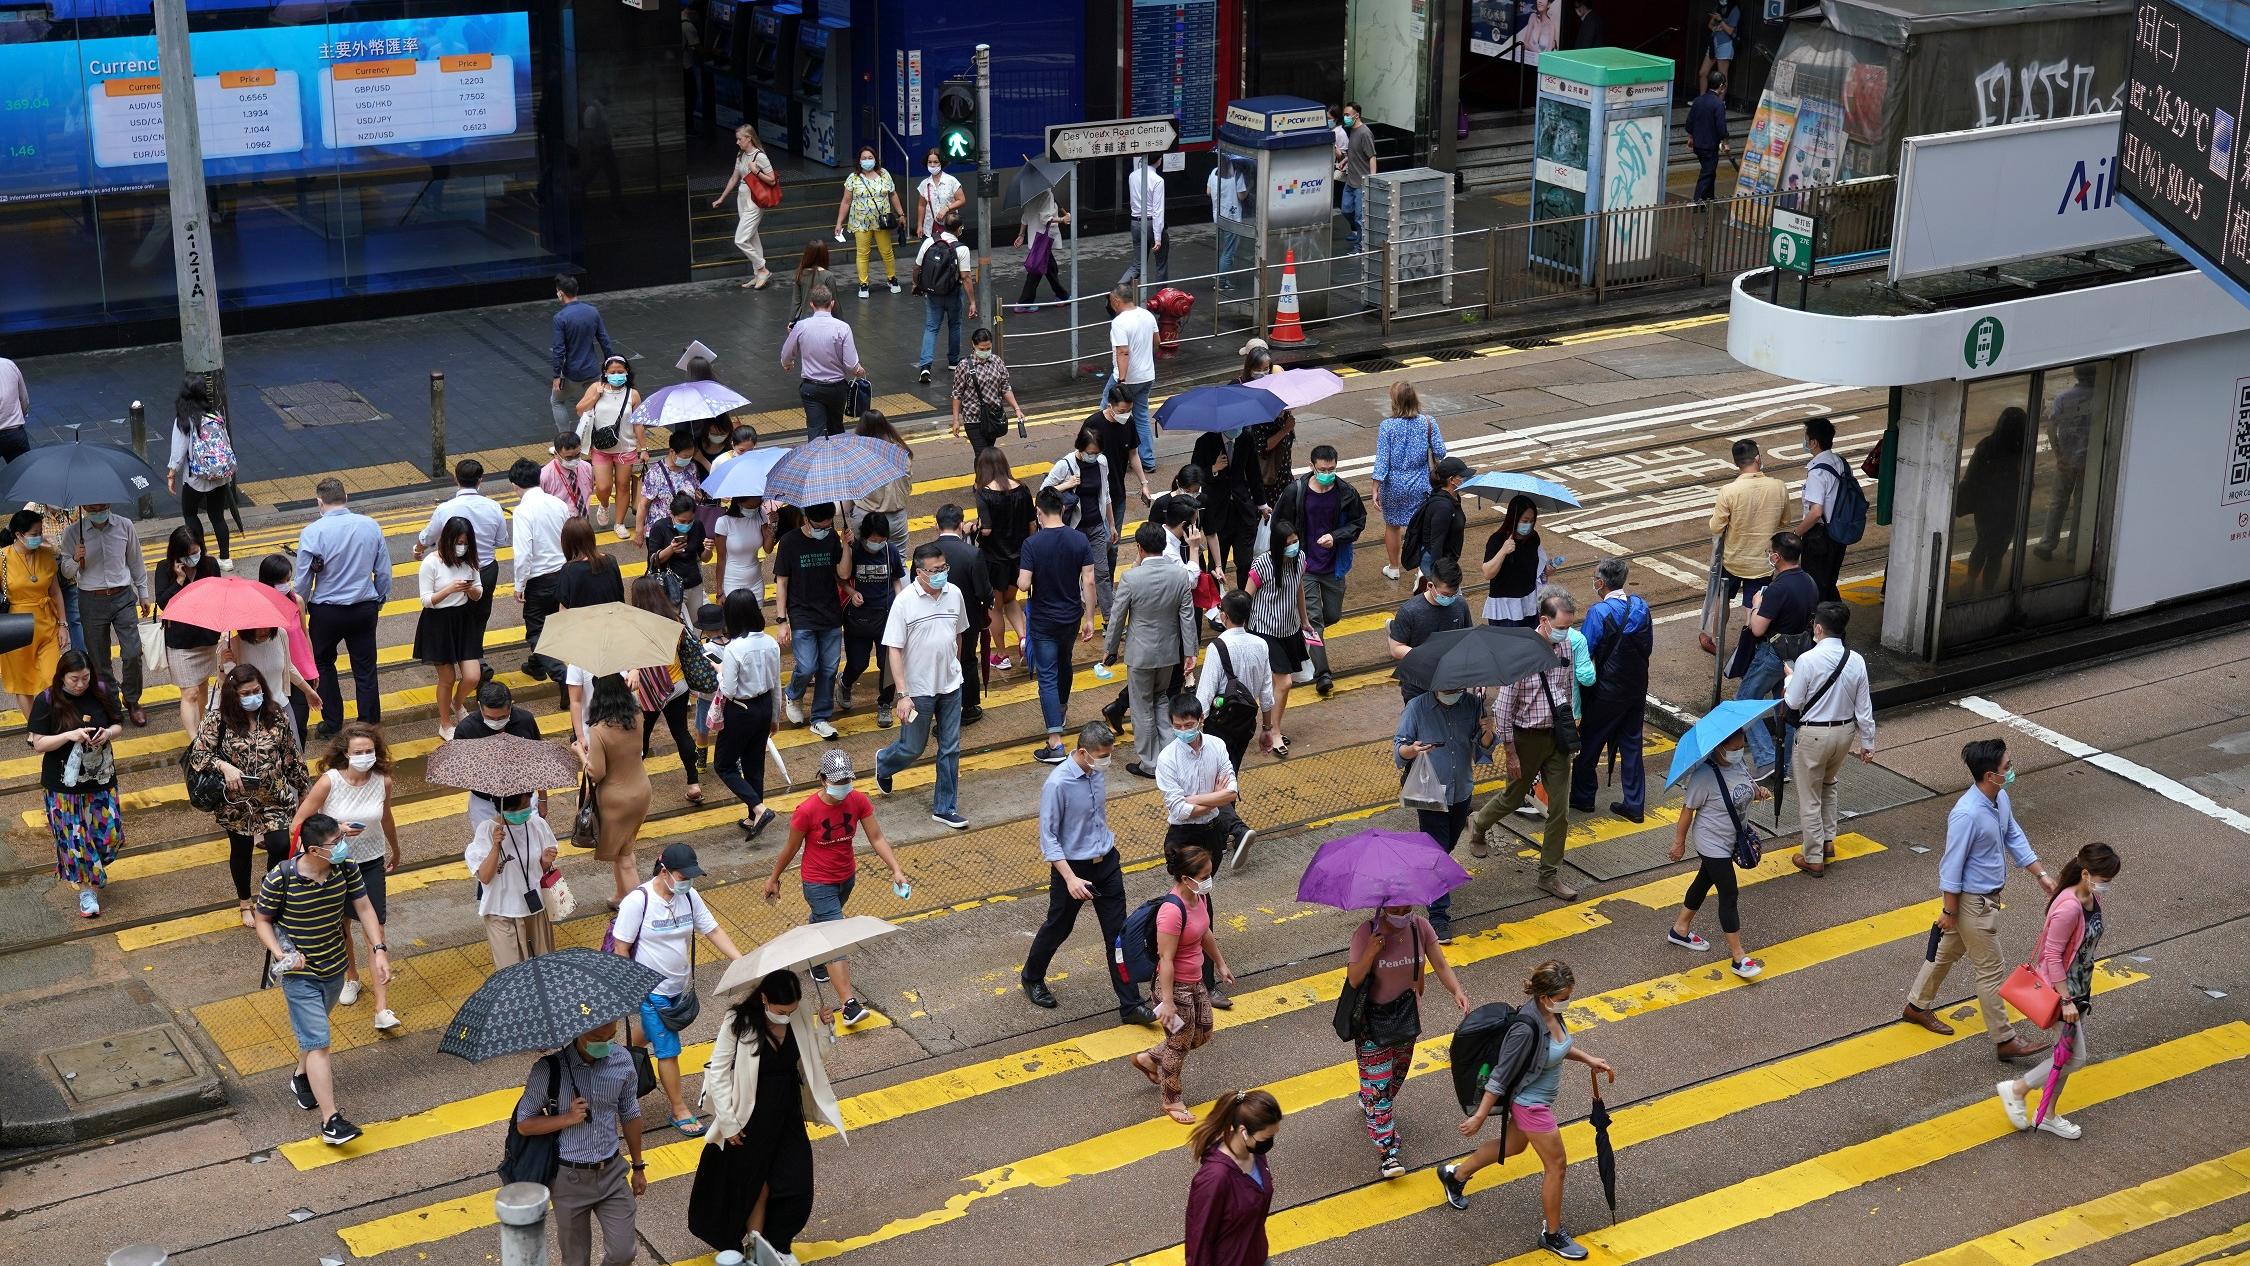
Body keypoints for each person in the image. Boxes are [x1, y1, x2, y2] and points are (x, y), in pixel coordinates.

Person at [1438, 960, 1614, 1262]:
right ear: (1544, 997)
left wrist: (1588, 1058)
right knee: (1557, 1165)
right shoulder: (1525, 1027)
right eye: (1563, 998)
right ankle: (1552, 1234)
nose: (1567, 1003)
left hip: (1538, 1101)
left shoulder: (1552, 1015)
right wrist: (1480, 1115)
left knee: (1514, 1146)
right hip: (1530, 1104)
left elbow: (1555, 1049)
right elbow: (1501, 1075)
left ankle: (1455, 1174)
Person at [1901, 738, 2059, 1061]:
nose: (2011, 771)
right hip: (1974, 903)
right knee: (1991, 970)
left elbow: (2013, 835)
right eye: (2007, 768)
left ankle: (1916, 1005)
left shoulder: (1999, 799)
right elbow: (1951, 866)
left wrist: (2041, 875)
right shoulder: (1966, 815)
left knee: (1946, 952)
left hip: (1982, 900)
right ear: (1990, 775)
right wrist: (1949, 910)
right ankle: (2005, 1039)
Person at [689, 969, 843, 1260]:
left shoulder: (798, 1015)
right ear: (763, 998)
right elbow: (719, 1072)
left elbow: (812, 1060)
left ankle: (777, 1242)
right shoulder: (738, 1022)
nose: (787, 1015)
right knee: (756, 1187)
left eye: (793, 1009)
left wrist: (825, 1029)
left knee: (798, 1186)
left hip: (787, 1113)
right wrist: (729, 1123)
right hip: (750, 1118)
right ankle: (759, 1249)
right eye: (781, 1010)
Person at [252, 812, 387, 1146]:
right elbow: (262, 920)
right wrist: (281, 955)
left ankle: (301, 1076)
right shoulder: (280, 879)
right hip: (301, 975)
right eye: (335, 843)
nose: (342, 847)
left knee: (313, 1037)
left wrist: (380, 949)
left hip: (334, 969)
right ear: (313, 850)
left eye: (341, 839)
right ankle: (331, 1121)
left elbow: (365, 909)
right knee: (320, 1044)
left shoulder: (345, 868)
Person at [1022, 722, 1157, 1022]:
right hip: (1073, 869)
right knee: (1059, 926)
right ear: (1083, 752)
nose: (1106, 761)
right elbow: (1049, 838)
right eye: (1102, 755)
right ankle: (1032, 976)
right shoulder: (1057, 784)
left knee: (1118, 935)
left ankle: (1130, 1005)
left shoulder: (1096, 774)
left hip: (1106, 863)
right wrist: (1070, 878)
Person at [764, 749, 908, 1028]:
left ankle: (816, 960)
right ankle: (849, 1004)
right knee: (836, 934)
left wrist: (896, 869)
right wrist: (774, 878)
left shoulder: (858, 801)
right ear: (823, 779)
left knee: (824, 922)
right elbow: (791, 849)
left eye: (847, 781)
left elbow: (876, 837)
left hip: (846, 877)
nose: (844, 787)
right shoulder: (806, 812)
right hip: (817, 882)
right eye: (838, 781)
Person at [1995, 842, 2121, 1141]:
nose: (2107, 886)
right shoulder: (2068, 907)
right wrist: (2065, 999)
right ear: (2087, 873)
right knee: (2075, 1058)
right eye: (2105, 880)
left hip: (2079, 989)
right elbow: (2051, 956)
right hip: (2061, 992)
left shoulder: (2087, 896)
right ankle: (2017, 1089)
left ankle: (2049, 1114)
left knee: (2063, 1054)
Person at [615, 843, 744, 1135]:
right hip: (651, 990)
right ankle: (679, 1109)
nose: (687, 881)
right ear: (664, 871)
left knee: (649, 1033)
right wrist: (632, 988)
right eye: (682, 876)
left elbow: (713, 930)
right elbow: (621, 947)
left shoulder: (689, 896)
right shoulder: (638, 901)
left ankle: (612, 1057)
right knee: (668, 1049)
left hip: (678, 987)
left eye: (691, 877)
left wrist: (742, 962)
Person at [1468, 590, 1582, 900]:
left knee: (1560, 809)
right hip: (1525, 738)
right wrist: (1511, 752)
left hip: (1556, 738)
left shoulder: (1567, 645)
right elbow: (1503, 709)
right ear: (1544, 621)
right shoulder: (1520, 654)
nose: (1566, 632)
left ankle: (1548, 874)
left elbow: (1566, 686)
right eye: (1561, 625)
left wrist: (1570, 729)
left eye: (1569, 626)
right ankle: (1479, 824)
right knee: (1512, 796)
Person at [290, 722, 403, 1030]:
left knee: (375, 930)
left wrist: (394, 848)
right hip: (335, 864)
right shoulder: (329, 782)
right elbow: (300, 823)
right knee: (342, 927)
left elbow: (386, 817)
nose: (364, 756)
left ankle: (382, 1008)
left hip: (369, 862)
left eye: (369, 751)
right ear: (345, 753)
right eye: (358, 752)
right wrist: (335, 829)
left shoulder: (383, 781)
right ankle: (350, 976)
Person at [1344, 902, 1472, 1176]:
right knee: (1380, 1091)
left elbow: (1439, 962)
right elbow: (1354, 979)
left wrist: (1456, 991)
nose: (1402, 915)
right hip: (1372, 1025)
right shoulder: (1365, 933)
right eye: (1396, 910)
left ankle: (1368, 1097)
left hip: (1406, 1019)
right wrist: (1370, 952)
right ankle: (1388, 1152)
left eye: (1407, 909)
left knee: (1394, 1079)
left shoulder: (1420, 927)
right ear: (1382, 906)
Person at [511, 1018, 647, 1266]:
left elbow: (630, 1113)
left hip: (612, 1173)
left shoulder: (622, 1060)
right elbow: (525, 1124)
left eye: (611, 1036)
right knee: (575, 1260)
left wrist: (639, 1166)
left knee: (624, 1252)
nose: (605, 1044)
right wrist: (567, 1118)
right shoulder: (549, 1070)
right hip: (568, 1180)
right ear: (577, 1033)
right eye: (597, 1039)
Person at [187, 664, 312, 924]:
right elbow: (199, 755)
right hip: (236, 800)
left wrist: (304, 789)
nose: (253, 696)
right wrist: (224, 766)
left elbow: (291, 757)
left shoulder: (275, 716)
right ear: (234, 694)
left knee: (279, 845)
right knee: (241, 850)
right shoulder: (216, 719)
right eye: (246, 693)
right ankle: (245, 902)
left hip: (273, 796)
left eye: (257, 691)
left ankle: (270, 894)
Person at [1129, 839, 1227, 1123]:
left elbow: (1205, 932)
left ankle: (1149, 1058)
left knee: (1203, 1032)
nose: (1209, 881)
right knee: (1179, 1044)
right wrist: (1168, 1003)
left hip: (1196, 981)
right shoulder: (1171, 911)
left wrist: (1220, 963)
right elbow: (1167, 959)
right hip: (1172, 988)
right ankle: (1171, 1101)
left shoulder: (1200, 897)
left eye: (1210, 874)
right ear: (1185, 878)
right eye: (1204, 876)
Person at [874, 543, 971, 827]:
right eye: (935, 571)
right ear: (919, 572)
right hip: (918, 691)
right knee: (913, 748)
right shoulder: (904, 602)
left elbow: (958, 633)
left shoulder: (954, 594)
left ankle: (944, 807)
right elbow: (893, 649)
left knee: (950, 747)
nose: (942, 574)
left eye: (944, 569)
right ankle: (885, 762)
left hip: (951, 685)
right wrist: (902, 694)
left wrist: (955, 664)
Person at [1666, 729, 1770, 979]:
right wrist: (1678, 843)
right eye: (1733, 749)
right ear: (1719, 748)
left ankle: (1680, 929)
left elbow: (1744, 790)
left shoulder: (1740, 765)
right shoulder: (1704, 776)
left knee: (1703, 881)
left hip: (1732, 837)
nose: (1738, 753)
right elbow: (1687, 811)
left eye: (1741, 748)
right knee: (1729, 892)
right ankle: (1738, 957)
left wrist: (1759, 792)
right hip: (1711, 842)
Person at [30, 651, 124, 918]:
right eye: (74, 679)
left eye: (85, 678)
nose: (80, 684)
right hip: (62, 785)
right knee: (75, 839)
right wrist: (69, 735)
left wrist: (107, 734)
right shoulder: (47, 700)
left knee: (109, 836)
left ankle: (90, 868)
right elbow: (38, 743)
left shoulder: (103, 691)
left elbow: (118, 724)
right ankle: (87, 891)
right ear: (62, 676)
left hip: (102, 778)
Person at [294, 478, 390, 738]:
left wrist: (299, 608)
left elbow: (303, 579)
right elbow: (383, 571)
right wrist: (379, 598)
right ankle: (368, 723)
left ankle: (332, 721)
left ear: (319, 502)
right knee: (365, 668)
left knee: (323, 664)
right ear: (346, 496)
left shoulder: (312, 532)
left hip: (327, 611)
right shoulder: (370, 526)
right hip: (364, 608)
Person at [1394, 682, 1491, 941]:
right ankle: (1439, 917)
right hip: (1430, 795)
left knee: (1445, 847)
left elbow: (1483, 751)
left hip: (1461, 791)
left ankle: (1426, 872)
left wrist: (1487, 733)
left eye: (1458, 685)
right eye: (1448, 685)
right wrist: (1411, 750)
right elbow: (1398, 751)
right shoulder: (1417, 708)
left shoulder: (1473, 705)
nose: (1453, 690)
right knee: (1437, 852)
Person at [1785, 600, 1875, 876]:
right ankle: (1827, 842)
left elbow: (1793, 701)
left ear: (1819, 628)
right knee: (1828, 783)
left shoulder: (1807, 660)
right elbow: (1865, 709)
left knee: (1809, 795)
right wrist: (1868, 743)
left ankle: (1813, 857)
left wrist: (1790, 679)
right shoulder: (1856, 660)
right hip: (1845, 734)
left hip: (1813, 734)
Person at [1106, 522, 1200, 776]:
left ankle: (1150, 763)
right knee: (1161, 700)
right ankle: (1170, 756)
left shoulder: (1131, 578)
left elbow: (1117, 617)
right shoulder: (1179, 576)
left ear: (1139, 547)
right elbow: (1187, 618)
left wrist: (1110, 650)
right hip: (1169, 652)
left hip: (1140, 655)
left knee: (1141, 706)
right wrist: (1190, 652)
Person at [1273, 445, 1365, 695]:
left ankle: (1303, 632)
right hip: (1306, 567)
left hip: (1334, 566)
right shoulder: (1296, 491)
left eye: (1332, 469)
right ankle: (1323, 673)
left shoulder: (1346, 492)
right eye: (1323, 469)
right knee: (1315, 620)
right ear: (1311, 466)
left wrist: (1336, 537)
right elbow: (1279, 522)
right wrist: (1290, 546)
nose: (1327, 473)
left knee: (1331, 615)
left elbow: (1358, 522)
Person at [1570, 558, 1653, 822]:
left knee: (1590, 744)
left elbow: (1585, 651)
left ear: (1600, 582)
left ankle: (1584, 798)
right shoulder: (1640, 607)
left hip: (1605, 692)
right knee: (1631, 746)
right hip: (1637, 688)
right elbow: (1647, 647)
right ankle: (1635, 804)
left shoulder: (1599, 613)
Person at [1020, 487, 1098, 765]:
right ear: (1063, 510)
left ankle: (1055, 742)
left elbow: (1024, 584)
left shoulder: (1032, 544)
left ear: (1039, 512)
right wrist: (1089, 617)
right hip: (1070, 617)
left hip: (1043, 620)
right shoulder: (1079, 540)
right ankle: (1061, 709)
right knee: (1064, 663)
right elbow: (1089, 581)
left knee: (1048, 676)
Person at [56, 504, 149, 727]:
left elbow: (135, 560)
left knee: (133, 652)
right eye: (92, 505)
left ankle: (132, 699)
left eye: (102, 504)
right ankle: (112, 704)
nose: (97, 508)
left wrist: (143, 592)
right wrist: (76, 559)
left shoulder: (125, 525)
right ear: (84, 506)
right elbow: (65, 572)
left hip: (123, 596)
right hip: (91, 599)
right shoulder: (73, 532)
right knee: (99, 659)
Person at [1736, 531, 1818, 779]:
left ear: (1777, 556)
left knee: (1743, 703)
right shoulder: (1809, 582)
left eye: (1769, 552)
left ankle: (1765, 758)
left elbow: (1757, 628)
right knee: (1785, 709)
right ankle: (1782, 768)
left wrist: (1757, 603)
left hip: (1771, 654)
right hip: (1798, 654)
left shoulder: (1777, 588)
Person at [773, 502, 851, 741]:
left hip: (830, 613)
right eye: (820, 526)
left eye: (829, 525)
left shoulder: (831, 539)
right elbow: (782, 582)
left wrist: (846, 546)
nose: (824, 529)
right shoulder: (789, 542)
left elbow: (844, 574)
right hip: (802, 614)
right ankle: (793, 693)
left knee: (828, 669)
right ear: (806, 519)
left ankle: (820, 718)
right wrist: (781, 620)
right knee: (807, 666)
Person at [1703, 438, 1788, 654]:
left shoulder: (1729, 491)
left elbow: (1716, 526)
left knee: (1722, 600)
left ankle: (1716, 639)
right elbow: (1784, 521)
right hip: (1763, 562)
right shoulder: (1778, 487)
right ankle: (1748, 647)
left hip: (1733, 559)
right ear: (1758, 458)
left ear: (1736, 463)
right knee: (1753, 604)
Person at [627, 576, 707, 806]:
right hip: (677, 685)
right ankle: (694, 784)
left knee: (642, 737)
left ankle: (632, 784)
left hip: (651, 689)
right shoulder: (673, 618)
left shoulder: (638, 625)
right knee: (681, 731)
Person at [417, 458, 506, 655]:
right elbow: (501, 541)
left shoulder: (445, 509)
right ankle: (475, 654)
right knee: (480, 613)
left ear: (455, 478)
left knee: (455, 611)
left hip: (452, 569)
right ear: (480, 480)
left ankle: (459, 654)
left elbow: (429, 536)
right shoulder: (494, 507)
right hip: (486, 568)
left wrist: (418, 549)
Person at [576, 673, 652, 905]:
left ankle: (641, 911)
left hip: (616, 799)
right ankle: (621, 896)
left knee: (624, 857)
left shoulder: (599, 730)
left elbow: (596, 772)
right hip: (641, 791)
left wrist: (579, 752)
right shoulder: (637, 716)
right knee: (625, 846)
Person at [712, 589, 782, 838]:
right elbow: (776, 683)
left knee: (724, 764)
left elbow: (729, 690)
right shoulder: (770, 642)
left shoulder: (734, 649)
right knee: (755, 764)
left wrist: (719, 670)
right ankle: (754, 818)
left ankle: (759, 808)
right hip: (764, 708)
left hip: (741, 711)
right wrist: (775, 716)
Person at [1183, 1088, 1282, 1265]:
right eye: (1267, 1137)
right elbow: (1200, 1239)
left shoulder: (1255, 1153)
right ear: (1243, 1131)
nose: (1270, 1143)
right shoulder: (1214, 1178)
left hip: (1257, 1257)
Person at [1159, 696, 1256, 870]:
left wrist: (1193, 799)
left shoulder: (1217, 746)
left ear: (1201, 719)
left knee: (1206, 884)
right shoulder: (1167, 758)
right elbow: (1180, 811)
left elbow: (1231, 792)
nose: (1183, 731)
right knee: (1190, 887)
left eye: (1188, 725)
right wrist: (1215, 798)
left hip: (1213, 832)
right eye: (1177, 726)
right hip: (1183, 834)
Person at [465, 789, 558, 970]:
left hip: (536, 910)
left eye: (527, 805)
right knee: (511, 976)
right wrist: (495, 847)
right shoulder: (487, 830)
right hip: (501, 913)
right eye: (522, 807)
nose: (525, 812)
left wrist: (545, 862)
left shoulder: (537, 825)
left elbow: (539, 869)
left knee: (545, 971)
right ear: (505, 807)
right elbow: (484, 876)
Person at [414, 516, 485, 740]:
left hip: (463, 621)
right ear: (447, 540)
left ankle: (457, 702)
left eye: (465, 542)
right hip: (438, 623)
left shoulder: (470, 561)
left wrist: (471, 591)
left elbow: (479, 591)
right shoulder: (431, 563)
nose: (461, 547)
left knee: (473, 676)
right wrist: (450, 589)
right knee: (447, 678)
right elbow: (426, 600)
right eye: (458, 542)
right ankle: (445, 724)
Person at [1370, 383, 1446, 580]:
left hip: (1393, 484)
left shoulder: (1387, 426)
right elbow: (1440, 452)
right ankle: (1422, 568)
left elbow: (1382, 459)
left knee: (1392, 525)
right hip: (1421, 483)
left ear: (1394, 402)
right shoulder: (1428, 422)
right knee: (1422, 526)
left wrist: (1375, 486)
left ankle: (1394, 568)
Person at [1243, 523, 1309, 755]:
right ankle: (1273, 731)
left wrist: (1305, 620)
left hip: (1289, 629)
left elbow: (1298, 588)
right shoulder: (1263, 563)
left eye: (1295, 541)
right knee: (1284, 682)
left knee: (1278, 683)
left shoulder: (1299, 558)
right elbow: (1246, 596)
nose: (1293, 546)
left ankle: (1271, 726)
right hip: (1264, 629)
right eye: (1287, 543)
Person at [1195, 590, 1275, 777]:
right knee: (1231, 772)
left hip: (1219, 724)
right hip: (1245, 724)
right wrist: (1267, 729)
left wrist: (1195, 732)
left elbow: (1205, 694)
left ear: (1224, 616)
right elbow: (1266, 692)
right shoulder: (1261, 644)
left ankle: (1225, 805)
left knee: (1215, 778)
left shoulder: (1218, 647)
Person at [838, 511, 904, 727]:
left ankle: (885, 704)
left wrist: (899, 603)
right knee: (858, 663)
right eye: (873, 540)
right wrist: (850, 592)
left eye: (881, 540)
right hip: (858, 619)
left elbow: (896, 580)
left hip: (886, 617)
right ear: (864, 536)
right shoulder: (854, 549)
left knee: (888, 664)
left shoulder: (890, 551)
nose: (877, 544)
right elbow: (841, 577)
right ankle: (845, 682)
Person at [155, 526, 222, 736]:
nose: (193, 557)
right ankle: (195, 741)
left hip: (206, 638)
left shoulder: (210, 565)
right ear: (176, 554)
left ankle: (201, 727)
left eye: (196, 551)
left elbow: (219, 596)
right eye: (188, 554)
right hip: (180, 643)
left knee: (202, 687)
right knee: (190, 692)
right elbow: (164, 603)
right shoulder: (164, 568)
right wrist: (179, 580)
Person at [1044, 423, 1116, 616]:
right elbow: (1043, 492)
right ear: (1080, 448)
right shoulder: (1065, 465)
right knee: (1069, 574)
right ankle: (1071, 613)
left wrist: (1111, 524)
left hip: (1096, 527)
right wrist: (1066, 484)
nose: (1093, 456)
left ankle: (1110, 619)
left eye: (1097, 452)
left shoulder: (1101, 462)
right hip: (1072, 530)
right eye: (1090, 452)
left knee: (1101, 574)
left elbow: (1105, 494)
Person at [778, 285, 866, 441]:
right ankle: (837, 461)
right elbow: (851, 363)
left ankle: (816, 461)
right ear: (831, 303)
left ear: (812, 304)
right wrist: (858, 370)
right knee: (836, 428)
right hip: (837, 388)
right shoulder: (843, 328)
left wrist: (788, 363)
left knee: (815, 429)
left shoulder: (801, 326)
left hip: (811, 388)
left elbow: (786, 352)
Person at [166, 375, 236, 570]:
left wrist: (172, 474)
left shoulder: (184, 419)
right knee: (217, 516)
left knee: (190, 513)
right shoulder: (215, 415)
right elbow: (225, 444)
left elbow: (178, 451)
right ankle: (225, 559)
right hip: (220, 476)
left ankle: (201, 554)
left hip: (196, 477)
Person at [0, 509, 66, 714]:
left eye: (41, 531)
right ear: (19, 535)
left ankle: (57, 723)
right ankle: (35, 729)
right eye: (35, 533)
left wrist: (63, 625)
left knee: (53, 677)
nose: (40, 537)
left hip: (46, 623)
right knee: (23, 681)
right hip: (15, 627)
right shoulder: (2, 557)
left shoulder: (46, 555)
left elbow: (55, 592)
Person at [457, 680, 543, 834]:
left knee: (532, 846)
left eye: (502, 717)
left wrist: (543, 799)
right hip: (485, 804)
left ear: (511, 705)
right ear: (479, 707)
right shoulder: (466, 730)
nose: (496, 722)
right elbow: (461, 771)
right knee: (489, 849)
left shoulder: (525, 720)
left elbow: (539, 762)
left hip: (522, 801)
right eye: (490, 717)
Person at [1957, 408, 2027, 595]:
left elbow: (1971, 476)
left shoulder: (1987, 445)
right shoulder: (2022, 448)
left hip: (1986, 504)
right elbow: (2027, 479)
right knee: (1998, 551)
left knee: (1983, 543)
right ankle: (1988, 589)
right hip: (2011, 505)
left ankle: (1970, 582)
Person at [2036, 363, 2102, 561]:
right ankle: (2074, 552)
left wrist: (2060, 457)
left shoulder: (2063, 398)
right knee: (2081, 507)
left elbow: (2050, 428)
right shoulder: (2100, 398)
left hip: (2066, 460)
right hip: (2087, 463)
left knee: (2058, 503)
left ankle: (2046, 545)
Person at [575, 355, 644, 540]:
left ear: (627, 372)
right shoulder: (596, 388)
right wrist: (596, 396)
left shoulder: (633, 394)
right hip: (601, 448)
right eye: (612, 372)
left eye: (620, 372)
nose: (616, 375)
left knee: (623, 486)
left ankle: (620, 523)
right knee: (603, 487)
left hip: (626, 448)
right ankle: (604, 505)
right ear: (605, 373)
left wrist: (643, 449)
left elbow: (638, 423)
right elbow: (579, 409)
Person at [1385, 557, 1471, 704]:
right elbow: (1395, 649)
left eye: (1454, 594)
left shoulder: (1460, 605)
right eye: (1445, 595)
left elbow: (1468, 638)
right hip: (1418, 687)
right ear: (1430, 585)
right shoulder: (1409, 611)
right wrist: (1429, 656)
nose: (1450, 598)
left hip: (1451, 685)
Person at [833, 144, 907, 299]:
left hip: (882, 221)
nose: (867, 161)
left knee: (886, 251)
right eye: (864, 158)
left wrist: (901, 214)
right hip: (860, 222)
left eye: (870, 158)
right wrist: (839, 222)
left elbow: (893, 195)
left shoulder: (884, 174)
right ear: (859, 161)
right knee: (862, 253)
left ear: (875, 159)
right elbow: (846, 202)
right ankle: (863, 283)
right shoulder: (853, 178)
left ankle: (892, 278)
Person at [913, 212, 977, 383]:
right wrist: (972, 301)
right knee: (955, 325)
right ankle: (953, 362)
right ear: (959, 229)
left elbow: (917, 267)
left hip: (933, 293)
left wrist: (916, 284)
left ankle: (925, 366)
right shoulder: (961, 248)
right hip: (953, 293)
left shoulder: (930, 241)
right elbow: (965, 277)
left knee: (931, 327)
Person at [1795, 416, 1854, 603]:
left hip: (1819, 538)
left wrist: (1796, 533)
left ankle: (1820, 626)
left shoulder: (1817, 472)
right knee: (1828, 582)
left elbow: (1816, 512)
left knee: (1815, 588)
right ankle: (1835, 624)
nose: (1804, 442)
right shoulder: (1841, 462)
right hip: (1838, 533)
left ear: (1813, 442)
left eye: (1806, 438)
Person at [550, 274, 617, 434]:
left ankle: (565, 439)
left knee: (557, 401)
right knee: (594, 402)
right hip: (592, 371)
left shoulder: (560, 318)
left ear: (561, 293)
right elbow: (604, 341)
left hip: (572, 373)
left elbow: (559, 349)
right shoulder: (592, 312)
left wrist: (556, 376)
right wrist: (611, 365)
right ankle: (597, 435)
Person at [712, 123, 777, 289]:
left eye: (740, 139)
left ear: (749, 138)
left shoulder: (759, 156)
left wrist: (756, 171)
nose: (737, 142)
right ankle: (757, 274)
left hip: (754, 201)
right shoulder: (740, 155)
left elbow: (772, 180)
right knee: (752, 236)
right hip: (742, 199)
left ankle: (762, 269)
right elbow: (734, 178)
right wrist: (721, 198)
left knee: (740, 239)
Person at [951, 327, 1029, 456]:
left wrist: (1017, 409)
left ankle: (984, 476)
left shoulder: (997, 361)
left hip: (993, 417)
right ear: (973, 345)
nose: (985, 351)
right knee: (983, 454)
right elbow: (957, 394)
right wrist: (956, 420)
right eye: (982, 349)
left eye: (988, 348)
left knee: (986, 453)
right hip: (973, 418)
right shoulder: (964, 366)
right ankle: (985, 476)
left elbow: (1005, 388)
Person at [1479, 493, 1555, 626]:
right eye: (1525, 521)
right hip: (1505, 607)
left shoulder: (1533, 538)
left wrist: (1545, 570)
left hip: (1529, 603)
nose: (1529, 525)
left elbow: (1535, 566)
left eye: (1532, 521)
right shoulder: (1497, 540)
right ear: (1513, 519)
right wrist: (1503, 551)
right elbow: (1487, 573)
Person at [1109, 284, 1161, 478]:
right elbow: (1157, 341)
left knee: (1106, 413)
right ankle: (1148, 461)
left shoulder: (1120, 322)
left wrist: (1121, 381)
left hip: (1127, 377)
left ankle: (1109, 455)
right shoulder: (1147, 315)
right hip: (1147, 376)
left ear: (1116, 300)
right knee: (1140, 417)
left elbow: (1123, 351)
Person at [849, 410, 915, 549]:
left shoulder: (858, 455)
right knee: (899, 559)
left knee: (866, 561)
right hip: (897, 517)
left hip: (866, 517)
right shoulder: (901, 451)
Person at [641, 426, 706, 554]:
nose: (688, 459)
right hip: (661, 532)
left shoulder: (692, 468)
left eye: (691, 456)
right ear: (672, 452)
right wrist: (639, 531)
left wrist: (698, 497)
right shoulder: (655, 473)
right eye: (685, 456)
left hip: (686, 529)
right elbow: (643, 505)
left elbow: (696, 491)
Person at [1013, 179, 1071, 308]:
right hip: (1043, 240)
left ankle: (1062, 296)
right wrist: (1063, 219)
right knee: (1036, 273)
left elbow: (1025, 217)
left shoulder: (1030, 194)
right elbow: (1046, 219)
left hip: (1036, 238)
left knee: (1051, 269)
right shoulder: (1046, 194)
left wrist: (1021, 235)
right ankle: (1024, 304)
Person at [710, 493, 769, 610]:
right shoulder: (724, 522)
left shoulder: (760, 515)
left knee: (756, 622)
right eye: (750, 507)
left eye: (756, 506)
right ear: (739, 503)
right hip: (732, 582)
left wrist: (772, 530)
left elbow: (768, 548)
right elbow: (721, 559)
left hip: (756, 581)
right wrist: (719, 591)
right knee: (736, 623)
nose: (754, 510)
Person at [1336, 101, 1378, 247]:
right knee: (1346, 210)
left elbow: (1372, 156)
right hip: (1350, 181)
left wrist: (1372, 179)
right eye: (1344, 115)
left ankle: (1360, 246)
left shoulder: (1365, 133)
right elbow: (1355, 151)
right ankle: (1357, 233)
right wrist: (1345, 160)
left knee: (1361, 217)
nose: (1345, 117)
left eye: (1347, 115)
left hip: (1361, 182)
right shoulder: (1352, 131)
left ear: (1357, 115)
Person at [1687, 70, 1730, 201]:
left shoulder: (1698, 101)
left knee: (1710, 171)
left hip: (1698, 145)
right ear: (1721, 86)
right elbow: (1721, 127)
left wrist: (1691, 137)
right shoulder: (1718, 105)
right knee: (1707, 173)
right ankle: (1698, 200)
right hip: (1710, 146)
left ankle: (1709, 198)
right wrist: (1726, 141)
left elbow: (1690, 122)